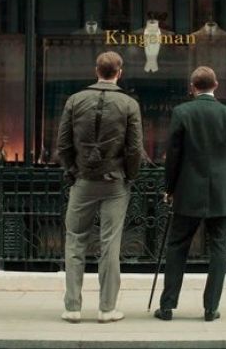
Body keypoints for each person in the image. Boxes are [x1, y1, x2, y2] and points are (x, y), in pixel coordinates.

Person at [57, 51, 143, 323]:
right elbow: (134, 149)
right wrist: (129, 176)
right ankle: (107, 309)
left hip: (83, 180)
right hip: (114, 181)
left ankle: (72, 307)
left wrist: (72, 171)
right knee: (110, 244)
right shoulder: (129, 104)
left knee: (75, 241)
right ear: (120, 72)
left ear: (97, 70)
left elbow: (63, 144)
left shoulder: (75, 100)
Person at [154, 66, 226, 322]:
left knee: (177, 246)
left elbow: (174, 156)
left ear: (192, 87)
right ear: (216, 85)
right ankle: (211, 308)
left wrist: (169, 188)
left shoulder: (182, 112)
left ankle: (167, 306)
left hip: (188, 190)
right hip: (223, 191)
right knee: (219, 248)